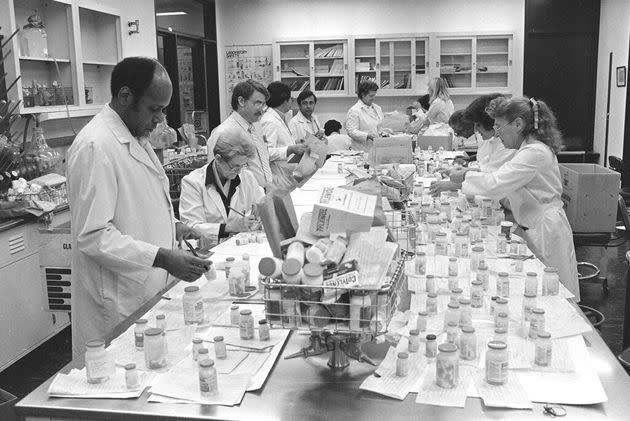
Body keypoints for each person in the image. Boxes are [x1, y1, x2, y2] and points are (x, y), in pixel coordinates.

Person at [67, 57, 210, 359]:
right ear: (125, 96)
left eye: (163, 109)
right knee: (121, 376)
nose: (160, 119)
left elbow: (139, 202)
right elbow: (93, 235)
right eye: (154, 108)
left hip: (145, 287)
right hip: (116, 299)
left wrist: (173, 226)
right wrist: (161, 257)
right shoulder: (95, 146)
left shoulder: (135, 135)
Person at [430, 96, 579, 299]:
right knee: (540, 290)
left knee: (553, 295)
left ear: (518, 124)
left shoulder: (534, 152)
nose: (496, 133)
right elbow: (497, 177)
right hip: (533, 223)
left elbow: (496, 183)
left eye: (499, 126)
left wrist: (463, 176)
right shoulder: (526, 149)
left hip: (546, 229)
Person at [179, 128, 265, 246]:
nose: (239, 171)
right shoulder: (193, 182)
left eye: (242, 165)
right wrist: (229, 227)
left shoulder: (247, 177)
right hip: (208, 248)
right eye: (234, 166)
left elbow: (261, 201)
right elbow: (191, 227)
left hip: (241, 244)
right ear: (218, 159)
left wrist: (260, 211)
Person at [208, 80, 272, 190]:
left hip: (263, 193)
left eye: (264, 104)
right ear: (241, 101)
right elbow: (216, 178)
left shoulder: (255, 127)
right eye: (257, 103)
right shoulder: (223, 132)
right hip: (241, 200)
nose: (262, 110)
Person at [260, 82, 309, 190]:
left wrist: (295, 143)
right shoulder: (270, 121)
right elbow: (265, 153)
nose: (291, 101)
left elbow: (279, 142)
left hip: (286, 176)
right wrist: (290, 149)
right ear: (284, 100)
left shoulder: (279, 117)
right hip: (277, 180)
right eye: (290, 98)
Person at [346, 80, 388, 151]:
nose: (373, 98)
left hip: (378, 148)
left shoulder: (377, 108)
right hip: (362, 150)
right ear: (363, 95)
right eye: (371, 96)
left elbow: (379, 126)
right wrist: (368, 136)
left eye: (374, 95)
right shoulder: (354, 110)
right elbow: (351, 131)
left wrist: (385, 131)